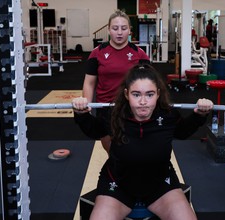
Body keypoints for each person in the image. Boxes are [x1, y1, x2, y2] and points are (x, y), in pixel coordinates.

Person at [73, 64, 214, 219]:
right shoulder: (113, 114)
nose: (143, 101)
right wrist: (82, 114)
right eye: (136, 94)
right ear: (127, 94)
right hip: (118, 184)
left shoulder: (168, 115)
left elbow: (183, 131)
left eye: (149, 94)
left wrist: (200, 114)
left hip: (160, 183)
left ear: (158, 94)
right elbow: (94, 130)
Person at [83, 9, 150, 153]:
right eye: (115, 28)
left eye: (124, 28)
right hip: (104, 108)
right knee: (112, 153)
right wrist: (86, 106)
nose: (119, 32)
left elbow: (150, 83)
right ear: (108, 30)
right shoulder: (97, 53)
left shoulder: (139, 54)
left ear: (129, 31)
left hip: (130, 107)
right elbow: (89, 82)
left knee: (131, 149)